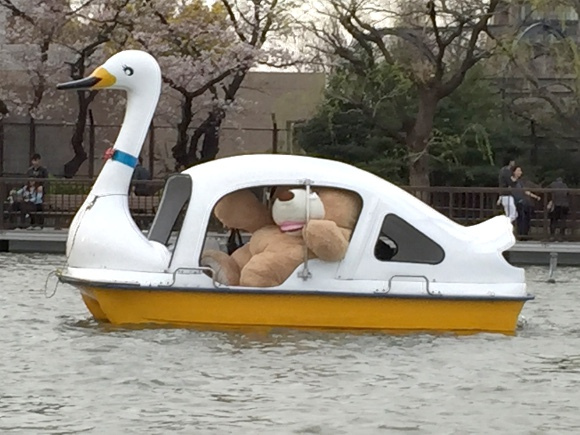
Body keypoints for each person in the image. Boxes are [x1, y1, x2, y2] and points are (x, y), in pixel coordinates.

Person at [510, 166, 540, 238]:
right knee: (520, 218)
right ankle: (520, 234)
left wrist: (535, 197)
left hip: (522, 202)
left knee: (524, 218)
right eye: (518, 171)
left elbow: (525, 191)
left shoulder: (520, 182)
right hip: (514, 202)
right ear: (514, 172)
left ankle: (524, 234)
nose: (520, 172)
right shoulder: (510, 181)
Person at [497, 158, 517, 222]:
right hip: (506, 194)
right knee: (513, 214)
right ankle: (504, 224)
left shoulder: (503, 170)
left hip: (504, 194)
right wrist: (514, 180)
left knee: (509, 214)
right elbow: (510, 182)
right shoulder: (507, 171)